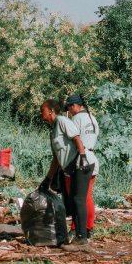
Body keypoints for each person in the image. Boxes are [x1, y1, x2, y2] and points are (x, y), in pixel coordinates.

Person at [39, 98, 92, 251]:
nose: (41, 113)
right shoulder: (53, 129)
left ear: (51, 111)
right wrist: (47, 179)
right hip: (70, 167)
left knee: (78, 199)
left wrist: (82, 156)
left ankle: (82, 238)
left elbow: (76, 138)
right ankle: (78, 236)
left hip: (81, 162)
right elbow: (56, 158)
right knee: (72, 201)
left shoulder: (62, 120)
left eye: (42, 110)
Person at [65, 93, 99, 240]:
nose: (69, 110)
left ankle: (75, 229)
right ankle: (89, 228)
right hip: (92, 159)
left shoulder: (75, 119)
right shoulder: (93, 118)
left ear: (74, 106)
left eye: (69, 107)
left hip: (80, 159)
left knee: (76, 198)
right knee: (87, 197)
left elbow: (72, 142)